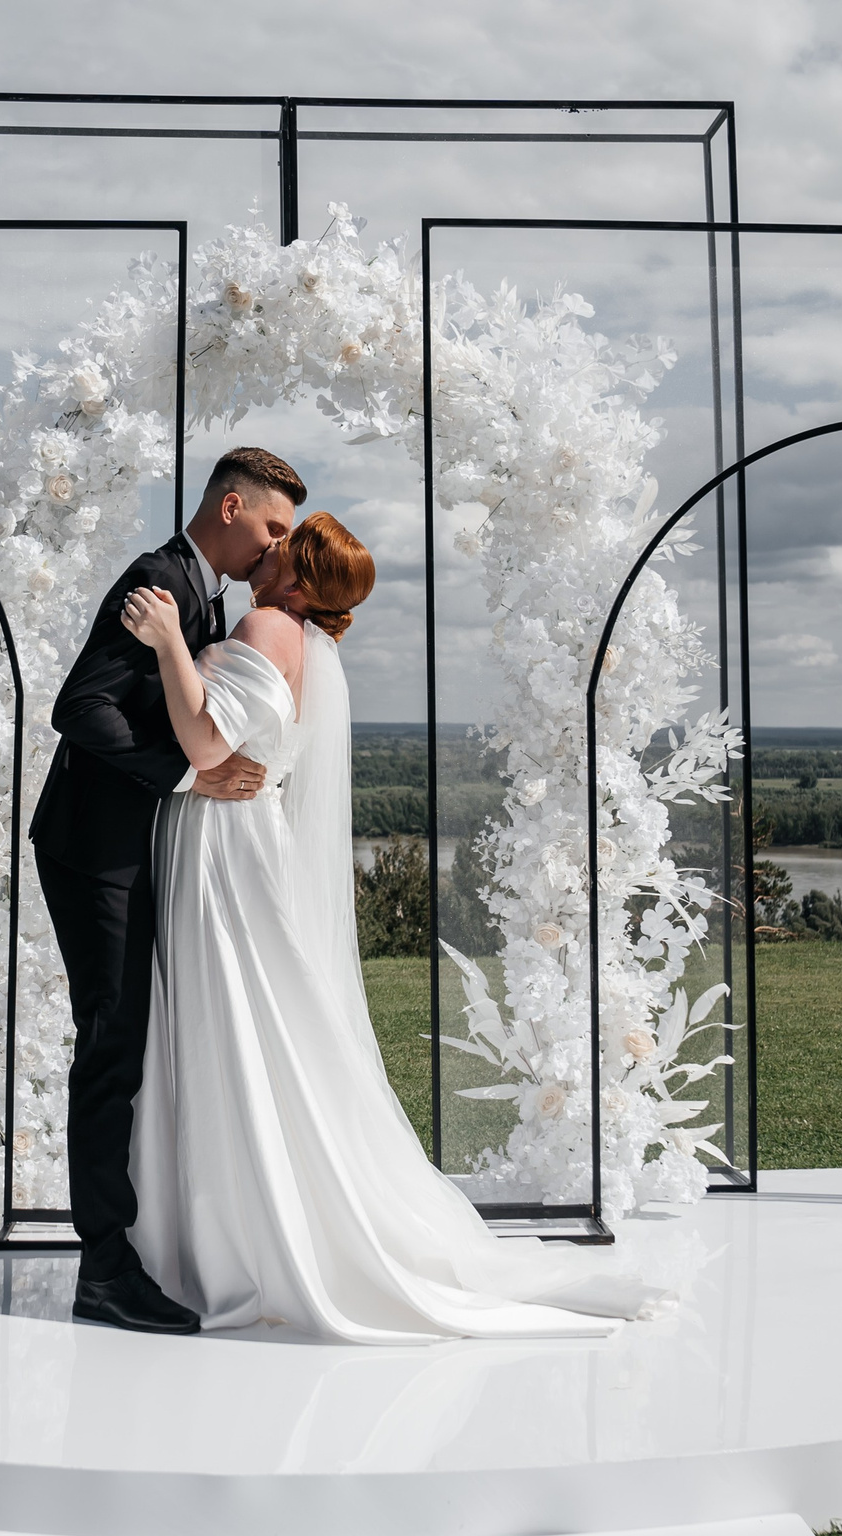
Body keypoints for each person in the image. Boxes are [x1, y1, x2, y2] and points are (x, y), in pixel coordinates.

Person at [118, 511, 666, 1342]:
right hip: (232, 835)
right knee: (248, 1025)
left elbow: (201, 741)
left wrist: (165, 640)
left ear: (298, 581)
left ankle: (229, 1234)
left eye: (280, 548)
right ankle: (236, 1218)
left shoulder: (268, 622)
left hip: (223, 849)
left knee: (229, 1017)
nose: (264, 552)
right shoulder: (303, 638)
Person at [31, 447, 300, 1335]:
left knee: (128, 1044)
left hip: (128, 845)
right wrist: (186, 781)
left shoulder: (203, 594)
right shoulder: (161, 580)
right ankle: (104, 1270)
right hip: (93, 849)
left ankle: (130, 1249)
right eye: (272, 527)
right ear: (231, 506)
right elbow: (82, 707)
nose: (276, 548)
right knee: (110, 1046)